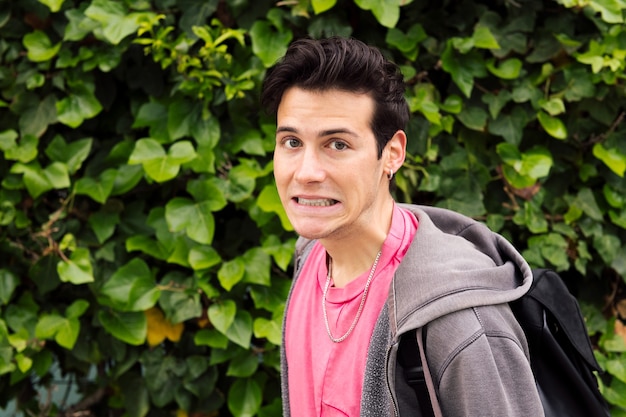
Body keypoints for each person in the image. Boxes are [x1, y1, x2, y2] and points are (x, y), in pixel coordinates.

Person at [261, 36, 544, 417]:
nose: (307, 172)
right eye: (292, 141)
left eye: (338, 145)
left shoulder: (463, 326)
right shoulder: (311, 256)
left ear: (392, 153)